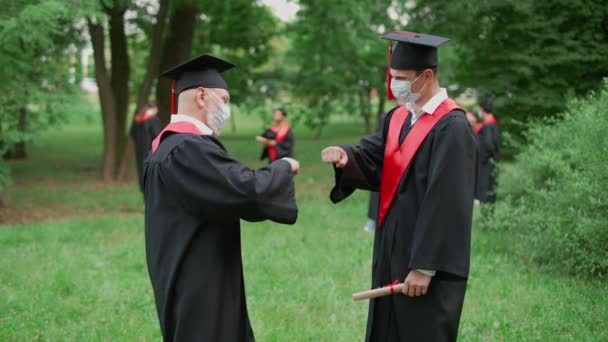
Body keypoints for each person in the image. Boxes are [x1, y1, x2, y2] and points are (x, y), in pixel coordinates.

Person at [321, 31, 478, 341]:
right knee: (388, 329)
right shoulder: (397, 118)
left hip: (425, 261)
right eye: (392, 76)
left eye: (402, 77)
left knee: (419, 330)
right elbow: (372, 159)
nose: (395, 85)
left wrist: (425, 266)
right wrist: (345, 157)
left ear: (427, 75)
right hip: (391, 248)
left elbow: (447, 203)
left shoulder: (452, 127)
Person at [143, 54, 300, 341]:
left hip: (181, 266)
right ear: (202, 96)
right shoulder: (187, 148)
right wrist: (284, 167)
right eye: (224, 100)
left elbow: (225, 192)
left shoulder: (163, 148)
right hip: (199, 276)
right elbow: (245, 190)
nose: (227, 109)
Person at [130, 100, 162, 193]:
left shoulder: (137, 119)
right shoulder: (153, 120)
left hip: (139, 150)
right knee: (151, 173)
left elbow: (132, 134)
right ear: (154, 108)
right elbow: (157, 136)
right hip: (151, 151)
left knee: (141, 171)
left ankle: (144, 193)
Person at [477, 97, 501, 204]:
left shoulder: (488, 126)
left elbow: (488, 144)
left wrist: (480, 158)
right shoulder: (493, 124)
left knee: (486, 191)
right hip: (492, 162)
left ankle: (487, 217)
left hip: (486, 164)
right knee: (490, 190)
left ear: (482, 109)